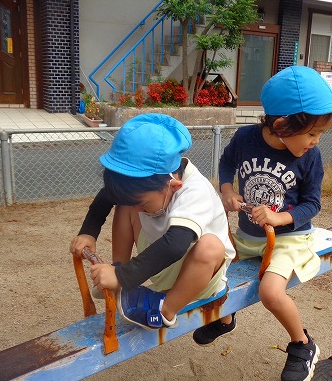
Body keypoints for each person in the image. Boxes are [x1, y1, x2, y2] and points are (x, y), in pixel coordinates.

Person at [192, 66, 332, 381]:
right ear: (280, 125)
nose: (316, 141)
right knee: (214, 268)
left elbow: (312, 204)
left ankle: (303, 343)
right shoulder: (245, 138)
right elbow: (227, 162)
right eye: (312, 133)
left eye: (320, 134)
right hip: (249, 236)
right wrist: (227, 190)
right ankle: (225, 318)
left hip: (289, 238)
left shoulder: (310, 158)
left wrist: (279, 218)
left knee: (270, 292)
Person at [70, 113, 236, 330]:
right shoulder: (150, 185)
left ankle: (165, 310)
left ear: (174, 186)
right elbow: (107, 197)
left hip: (198, 276)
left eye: (144, 204)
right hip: (159, 262)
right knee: (125, 204)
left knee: (211, 246)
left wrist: (123, 276)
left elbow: (175, 244)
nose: (140, 210)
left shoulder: (195, 191)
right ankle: (119, 276)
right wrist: (88, 232)